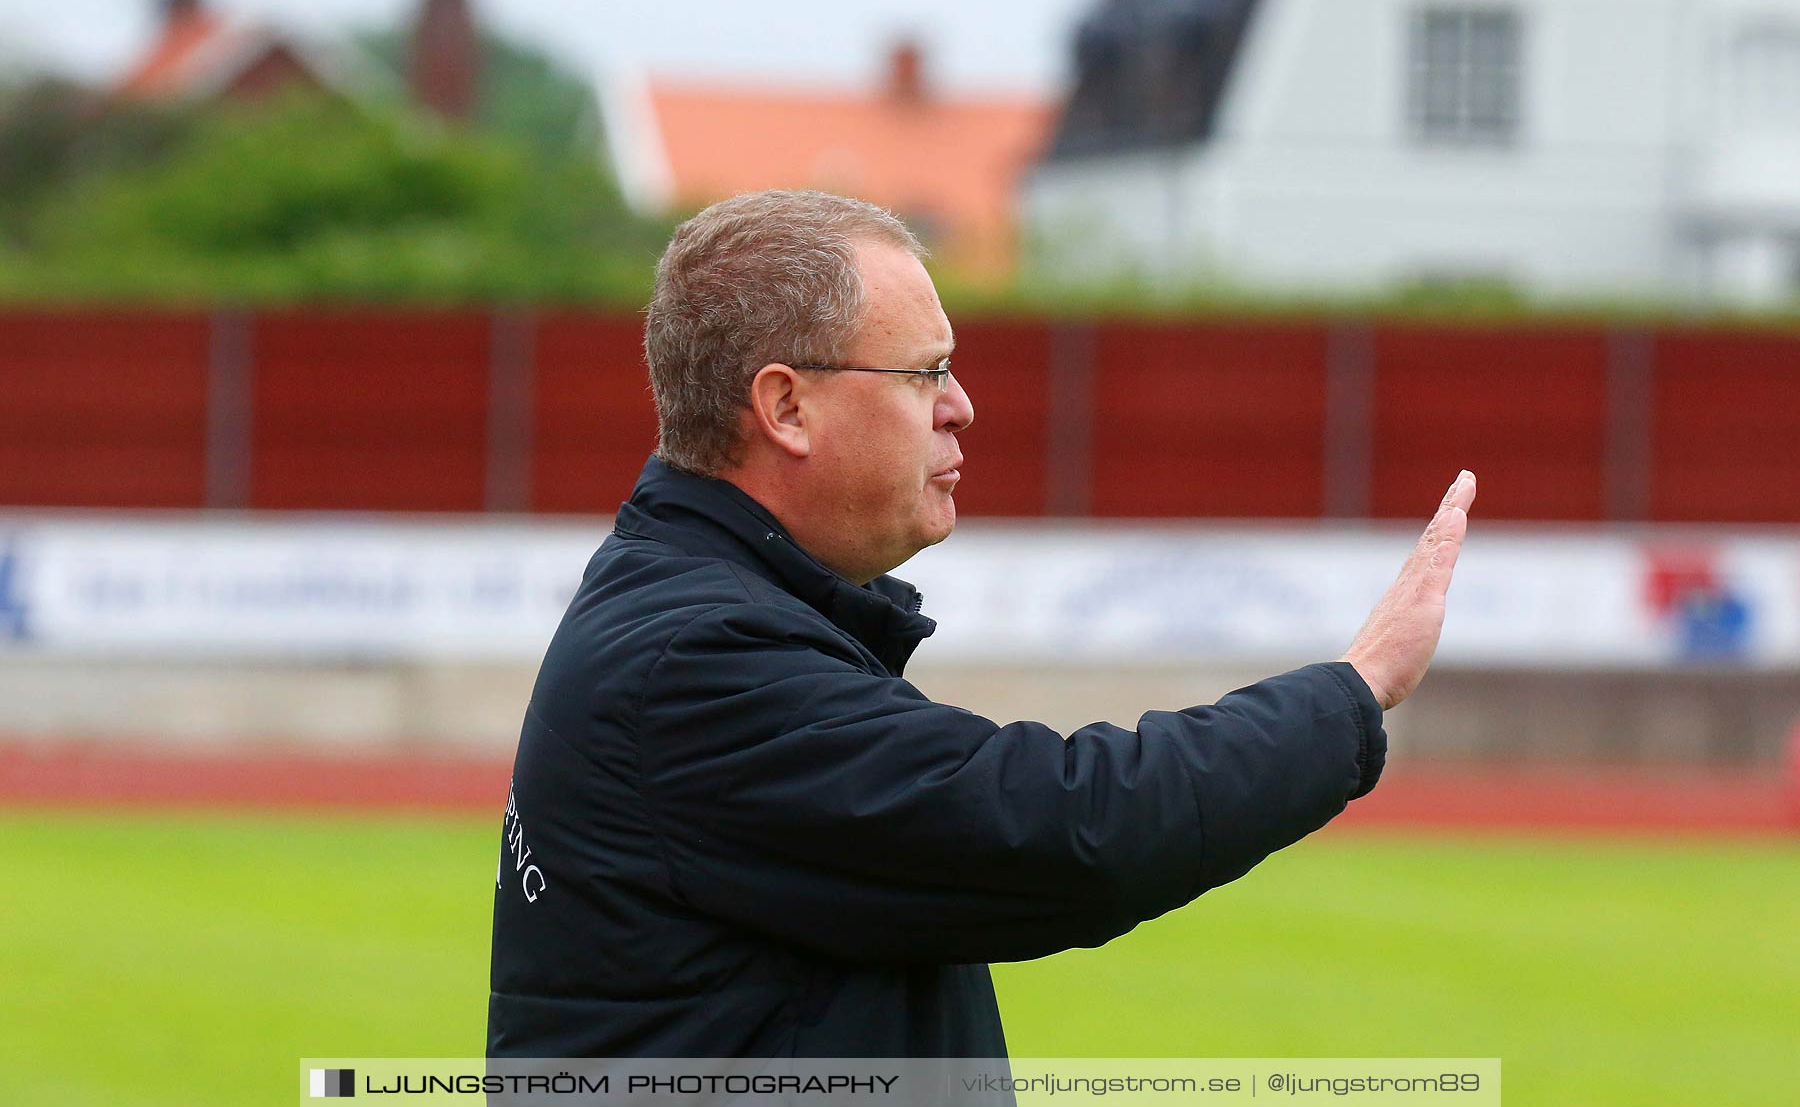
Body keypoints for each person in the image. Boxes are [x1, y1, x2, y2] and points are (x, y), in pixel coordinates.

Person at [487, 189, 1476, 1059]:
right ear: (786, 407)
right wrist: (1356, 690)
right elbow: (1065, 830)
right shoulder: (699, 664)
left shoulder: (705, 614)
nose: (963, 406)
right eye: (926, 373)